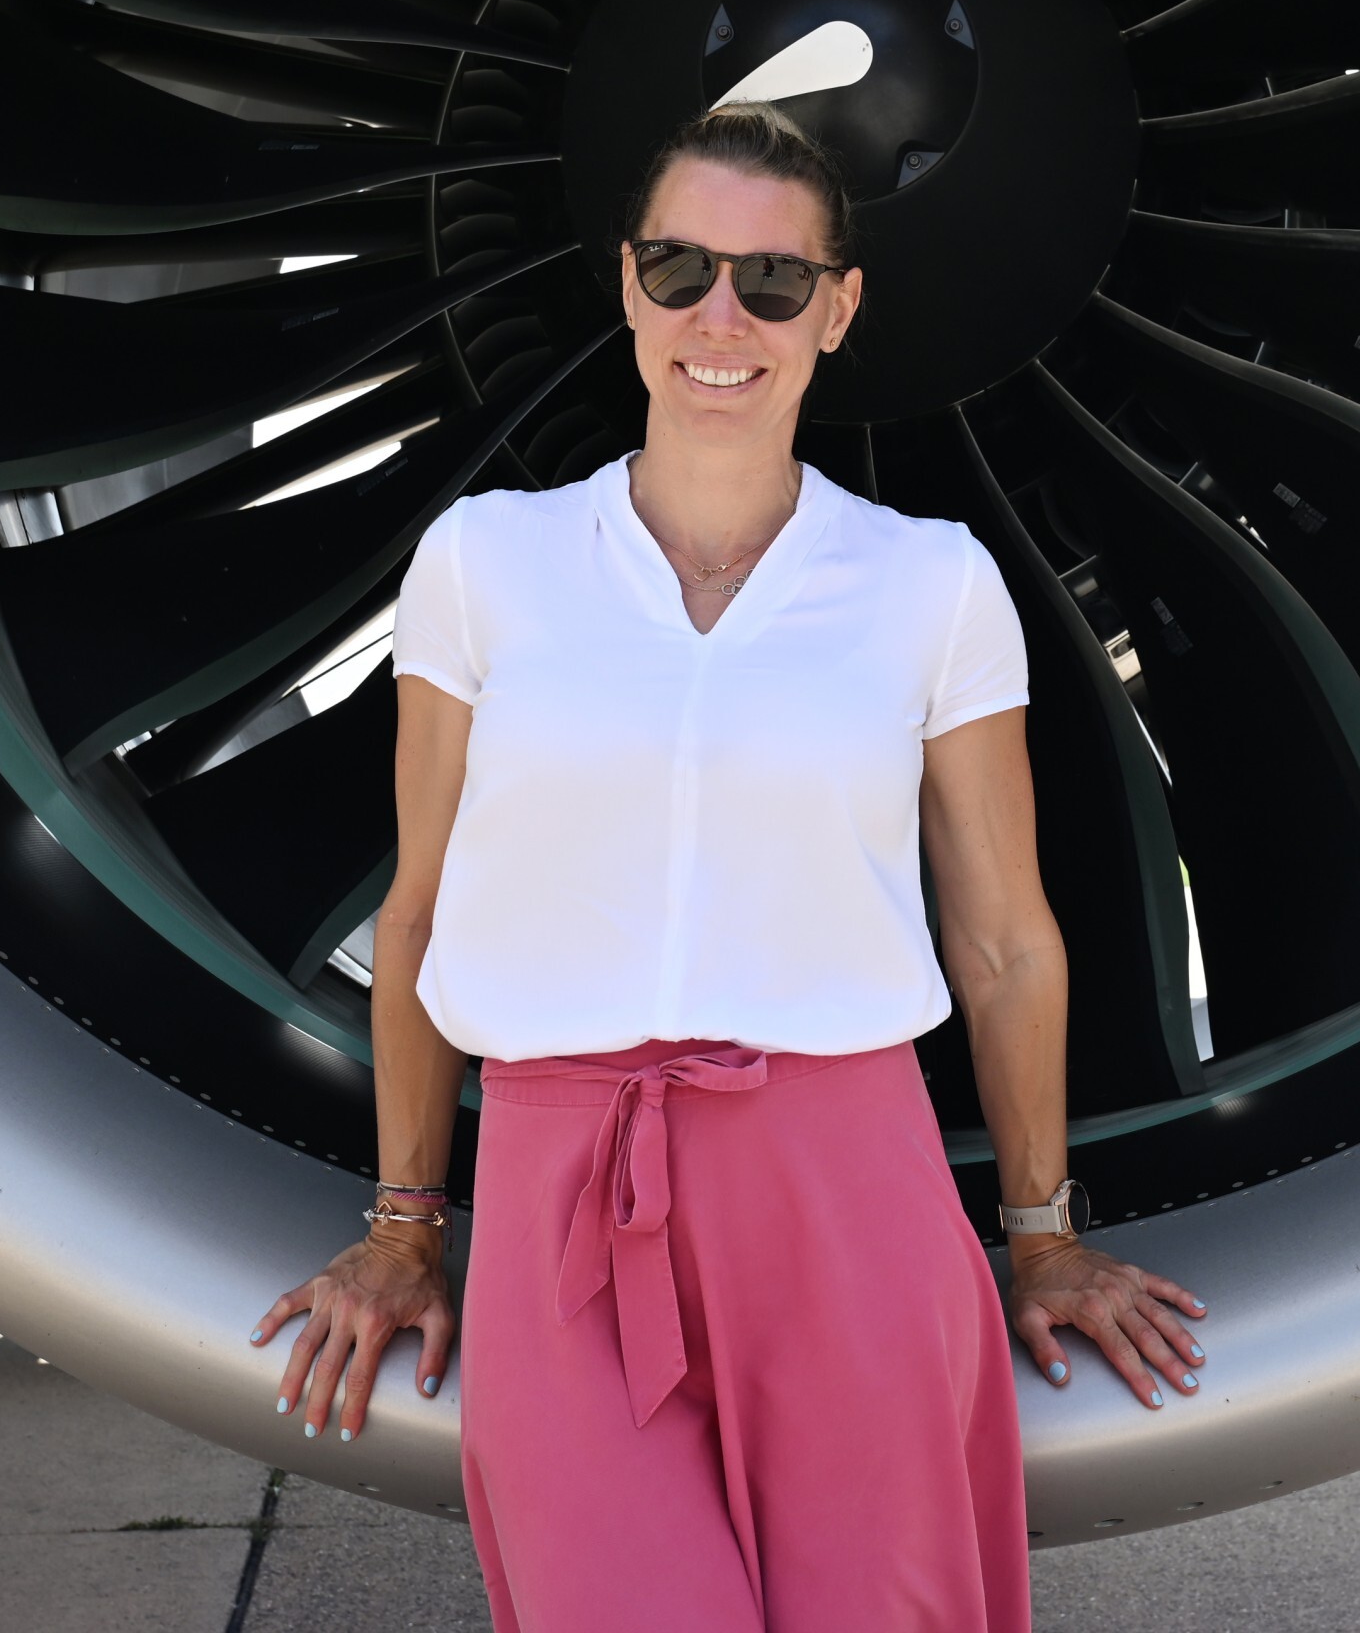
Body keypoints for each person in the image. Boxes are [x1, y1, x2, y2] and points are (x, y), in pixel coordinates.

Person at [252, 101, 1207, 1630]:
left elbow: (1005, 943)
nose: (721, 317)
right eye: (681, 268)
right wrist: (403, 1227)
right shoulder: (487, 563)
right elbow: (420, 915)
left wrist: (1044, 1240)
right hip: (567, 1198)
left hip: (846, 1192)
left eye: (772, 282)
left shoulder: (929, 585)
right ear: (628, 283)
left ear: (836, 309)